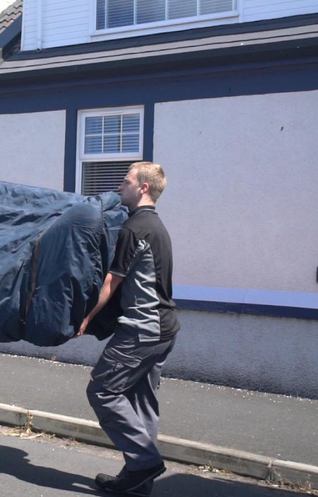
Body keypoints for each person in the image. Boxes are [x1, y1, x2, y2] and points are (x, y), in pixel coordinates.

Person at [76, 162, 179, 496]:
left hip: (140, 331)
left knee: (103, 391)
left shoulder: (134, 229)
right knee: (141, 402)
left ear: (143, 188)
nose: (120, 187)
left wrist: (87, 317)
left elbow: (111, 281)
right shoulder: (157, 227)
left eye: (125, 181)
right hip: (164, 329)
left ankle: (144, 462)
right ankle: (138, 484)